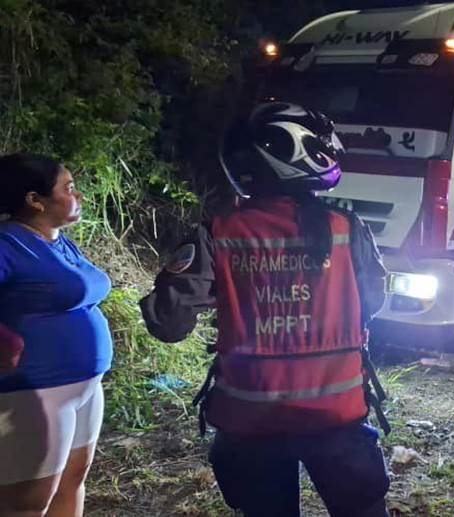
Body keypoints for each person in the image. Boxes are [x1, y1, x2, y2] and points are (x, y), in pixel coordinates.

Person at [139, 102, 390, 516]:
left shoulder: (216, 234)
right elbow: (373, 301)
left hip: (249, 421)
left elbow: (168, 322)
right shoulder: (347, 228)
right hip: (337, 418)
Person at [0, 154, 113, 516]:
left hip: (84, 388)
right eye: (68, 189)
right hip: (34, 394)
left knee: (71, 484)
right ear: (35, 200)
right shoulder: (8, 244)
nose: (78, 196)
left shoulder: (57, 241)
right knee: (28, 504)